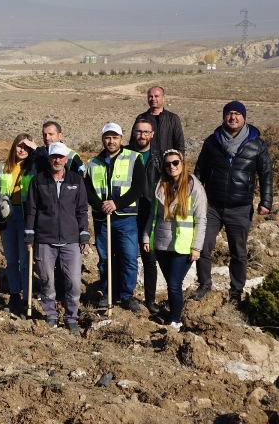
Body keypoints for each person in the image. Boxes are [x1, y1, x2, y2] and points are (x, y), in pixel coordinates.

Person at [193, 101, 273, 303]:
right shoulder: (212, 141)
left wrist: (266, 201)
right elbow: (200, 170)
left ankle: (236, 291)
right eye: (229, 114)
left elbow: (265, 174)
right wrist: (194, 197)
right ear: (224, 116)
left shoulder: (257, 144)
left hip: (240, 207)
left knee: (238, 252)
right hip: (212, 205)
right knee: (203, 246)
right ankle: (204, 285)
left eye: (237, 114)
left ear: (244, 117)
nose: (233, 117)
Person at [24, 142, 91, 334]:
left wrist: (84, 235)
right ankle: (51, 315)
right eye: (54, 157)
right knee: (47, 280)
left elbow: (81, 210)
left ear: (66, 160)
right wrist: (30, 236)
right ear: (49, 158)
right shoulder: (38, 181)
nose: (57, 160)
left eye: (61, 157)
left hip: (71, 239)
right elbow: (32, 211)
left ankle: (71, 318)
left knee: (74, 282)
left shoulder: (76, 180)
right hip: (45, 239)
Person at [142, 149, 207, 329]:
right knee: (172, 283)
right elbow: (152, 216)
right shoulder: (161, 186)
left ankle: (176, 320)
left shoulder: (195, 187)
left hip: (183, 246)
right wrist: (147, 237)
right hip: (162, 243)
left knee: (174, 283)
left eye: (175, 162)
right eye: (168, 164)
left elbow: (201, 219)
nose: (172, 166)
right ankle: (173, 314)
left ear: (182, 163)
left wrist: (197, 247)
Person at [86, 122, 146, 314]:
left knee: (128, 258)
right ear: (103, 139)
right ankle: (107, 293)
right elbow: (88, 190)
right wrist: (101, 206)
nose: (111, 141)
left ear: (121, 139)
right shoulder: (94, 162)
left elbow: (138, 187)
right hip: (102, 219)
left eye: (114, 137)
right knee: (105, 259)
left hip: (125, 218)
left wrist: (116, 204)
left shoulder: (134, 158)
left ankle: (127, 296)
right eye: (107, 137)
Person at [0, 133, 38, 312]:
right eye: (19, 146)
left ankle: (26, 297)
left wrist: (37, 149)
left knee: (25, 261)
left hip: (26, 219)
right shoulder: (2, 168)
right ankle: (14, 296)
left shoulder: (36, 167)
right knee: (11, 260)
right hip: (7, 218)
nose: (22, 150)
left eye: (27, 147)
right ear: (13, 147)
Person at [127, 115, 163, 314]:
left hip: (150, 213)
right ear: (134, 133)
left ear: (152, 134)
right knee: (127, 256)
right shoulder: (124, 154)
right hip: (128, 213)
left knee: (149, 258)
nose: (142, 135)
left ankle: (150, 300)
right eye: (139, 131)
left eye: (145, 132)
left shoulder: (159, 157)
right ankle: (126, 295)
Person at [140, 86, 185, 154]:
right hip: (145, 161)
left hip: (166, 162)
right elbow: (134, 142)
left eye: (156, 96)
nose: (153, 99)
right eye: (150, 96)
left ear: (163, 98)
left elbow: (180, 144)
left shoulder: (173, 118)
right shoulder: (141, 118)